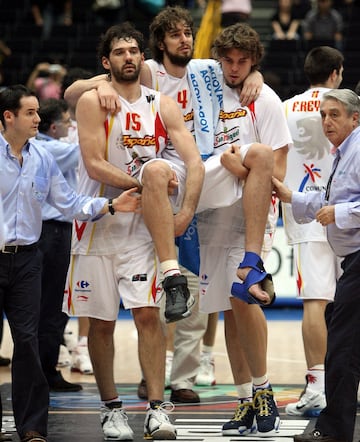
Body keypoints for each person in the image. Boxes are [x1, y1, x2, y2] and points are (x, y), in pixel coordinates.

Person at [64, 5, 270, 404]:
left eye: (188, 32)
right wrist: (101, 83)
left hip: (199, 172)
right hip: (157, 180)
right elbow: (74, 92)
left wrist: (256, 74)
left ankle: (190, 369)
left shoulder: (207, 71)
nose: (185, 39)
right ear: (159, 44)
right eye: (175, 34)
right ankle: (154, 374)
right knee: (171, 286)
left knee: (202, 278)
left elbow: (242, 65)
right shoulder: (146, 72)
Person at [62, 22, 205, 440]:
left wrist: (184, 213)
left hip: (142, 230)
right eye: (120, 52)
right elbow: (93, 164)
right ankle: (111, 409)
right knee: (101, 325)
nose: (129, 57)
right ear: (107, 62)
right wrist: (146, 187)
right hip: (98, 224)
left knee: (148, 316)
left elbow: (194, 163)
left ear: (143, 58)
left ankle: (158, 409)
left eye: (134, 51)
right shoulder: (93, 100)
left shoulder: (161, 103)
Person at [0, 84, 140, 442]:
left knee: (28, 342)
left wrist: (109, 206)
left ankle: (31, 427)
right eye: (30, 112)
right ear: (8, 116)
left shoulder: (42, 157)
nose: (38, 118)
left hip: (29, 260)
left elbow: (69, 203)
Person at [196, 22, 292, 436]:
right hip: (210, 215)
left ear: (254, 62)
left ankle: (265, 390)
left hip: (248, 215)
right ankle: (244, 400)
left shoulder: (265, 98)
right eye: (228, 61)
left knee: (243, 298)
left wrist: (239, 168)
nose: (235, 69)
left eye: (243, 62)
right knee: (227, 308)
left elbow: (278, 169)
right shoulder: (204, 89)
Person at [272, 88, 360, 442]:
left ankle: (333, 430)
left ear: (355, 118)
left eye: (335, 114)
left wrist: (338, 213)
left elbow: (339, 207)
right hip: (352, 258)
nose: (327, 122)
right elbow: (328, 199)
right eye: (324, 115)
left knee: (340, 344)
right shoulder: (344, 153)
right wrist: (291, 195)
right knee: (346, 341)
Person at [282, 46, 344, 417]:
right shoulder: (349, 107)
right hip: (345, 214)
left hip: (305, 211)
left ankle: (318, 387)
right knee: (348, 304)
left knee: (315, 303)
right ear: (336, 72)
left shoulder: (285, 107)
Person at [35, 97, 89, 391]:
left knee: (50, 305)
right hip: (52, 233)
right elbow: (88, 150)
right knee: (52, 305)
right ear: (54, 127)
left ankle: (43, 370)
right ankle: (45, 372)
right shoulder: (50, 148)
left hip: (49, 232)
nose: (72, 128)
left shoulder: (42, 146)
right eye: (68, 123)